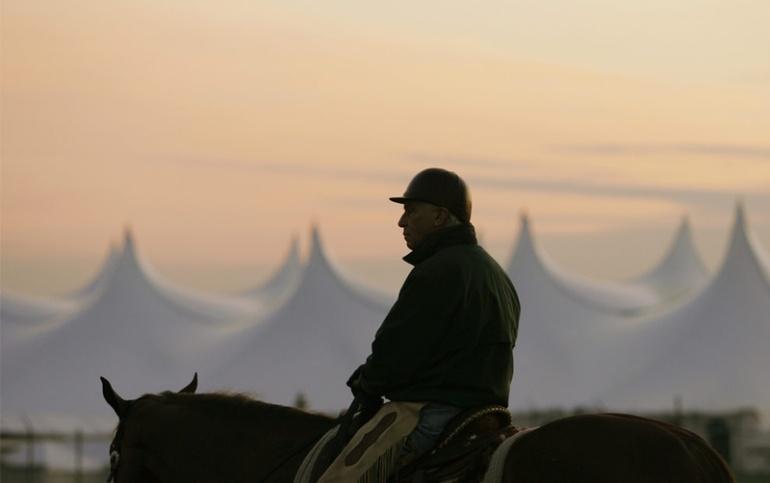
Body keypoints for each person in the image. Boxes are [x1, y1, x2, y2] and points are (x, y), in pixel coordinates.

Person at [347, 167, 521, 464]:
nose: (401, 221)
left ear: (440, 216)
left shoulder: (436, 271)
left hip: (434, 414)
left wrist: (366, 383)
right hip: (487, 412)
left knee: (342, 475)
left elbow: (396, 353)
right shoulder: (496, 274)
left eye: (412, 211)